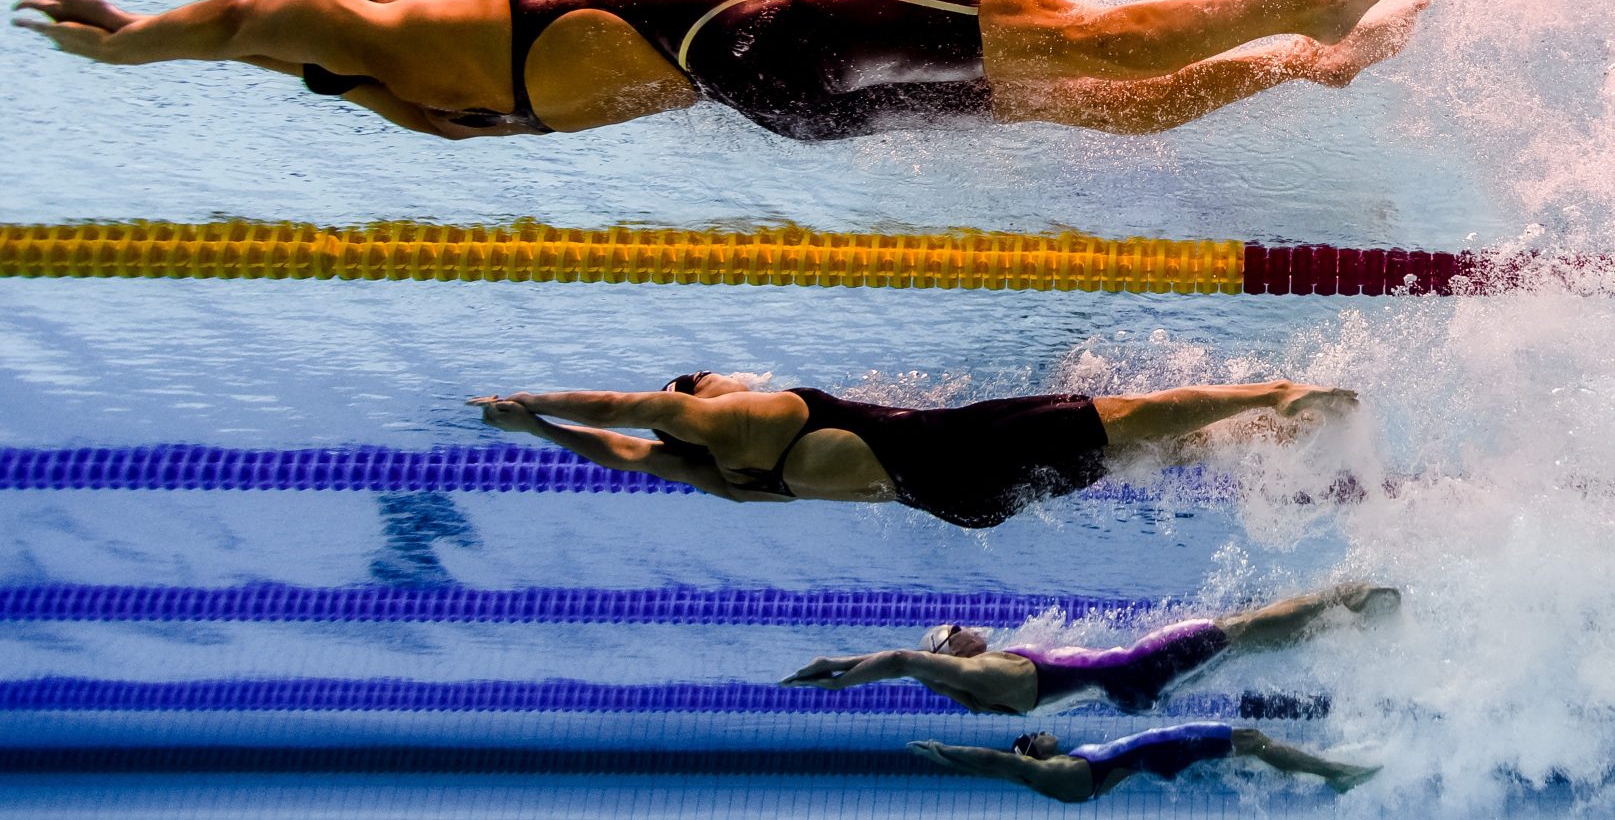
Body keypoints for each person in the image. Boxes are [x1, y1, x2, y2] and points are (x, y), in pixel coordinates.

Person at [12, 0, 1427, 141]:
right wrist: (136, 37)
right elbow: (258, 23)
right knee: (1076, 35)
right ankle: (1316, 2)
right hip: (762, 42)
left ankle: (1310, 66)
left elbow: (285, 58)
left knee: (1074, 101)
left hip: (773, 104)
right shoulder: (372, 13)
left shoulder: (439, 105)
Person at [468, 371, 1356, 529]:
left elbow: (622, 452)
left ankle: (1262, 448)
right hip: (955, 453)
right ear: (694, 396)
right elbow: (623, 410)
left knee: (1113, 454)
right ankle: (1274, 398)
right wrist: (531, 403)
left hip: (960, 503)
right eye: (715, 376)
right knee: (1134, 413)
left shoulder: (735, 477)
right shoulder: (737, 421)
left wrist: (537, 431)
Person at [782, 582, 1399, 714]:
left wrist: (837, 666)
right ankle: (1352, 600)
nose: (966, 625)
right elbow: (898, 662)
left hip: (1132, 688)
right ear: (952, 650)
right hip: (1137, 666)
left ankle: (1341, 625)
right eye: (955, 630)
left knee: (1237, 642)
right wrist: (835, 670)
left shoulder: (992, 687)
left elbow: (912, 669)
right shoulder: (986, 676)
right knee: (1237, 626)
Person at [908, 722, 1378, 801]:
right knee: (1251, 741)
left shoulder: (1066, 770)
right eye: (1035, 735)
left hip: (1158, 755)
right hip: (1162, 749)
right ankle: (1334, 773)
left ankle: (1329, 770)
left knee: (1249, 746)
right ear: (1031, 751)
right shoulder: (1045, 772)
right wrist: (944, 753)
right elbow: (994, 763)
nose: (1042, 731)